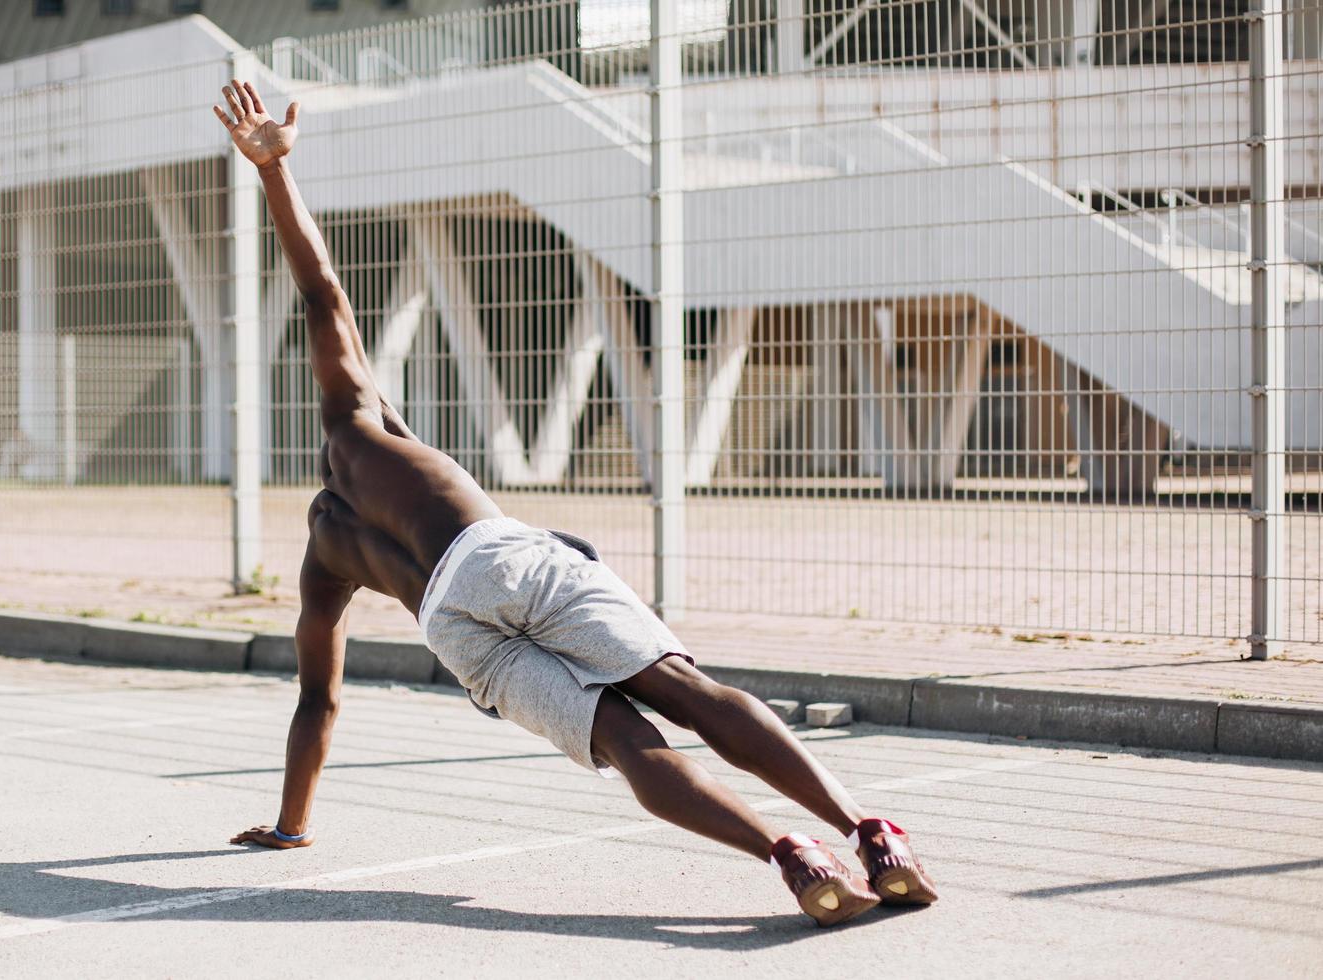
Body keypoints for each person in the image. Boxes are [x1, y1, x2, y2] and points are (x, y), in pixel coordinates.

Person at [213, 80, 936, 927]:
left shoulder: (325, 547)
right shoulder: (358, 419)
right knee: (686, 692)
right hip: (507, 559)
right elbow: (323, 293)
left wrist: (292, 827)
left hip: (456, 631)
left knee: (629, 747)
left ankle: (788, 854)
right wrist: (274, 170)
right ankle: (867, 832)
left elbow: (318, 700)